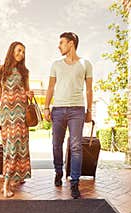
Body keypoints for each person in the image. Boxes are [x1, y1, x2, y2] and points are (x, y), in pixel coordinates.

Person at [44, 32, 93, 199]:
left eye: (62, 43)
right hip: (58, 110)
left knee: (76, 146)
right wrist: (46, 107)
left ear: (71, 43)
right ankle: (58, 171)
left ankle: (74, 182)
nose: (59, 46)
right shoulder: (56, 64)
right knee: (56, 145)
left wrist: (89, 111)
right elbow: (50, 88)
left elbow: (89, 90)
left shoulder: (85, 64)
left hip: (77, 110)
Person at [0, 41, 34, 198]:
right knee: (10, 146)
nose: (21, 54)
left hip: (21, 113)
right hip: (7, 114)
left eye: (23, 52)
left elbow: (27, 92)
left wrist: (29, 94)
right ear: (12, 51)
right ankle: (6, 183)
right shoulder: (1, 69)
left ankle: (17, 176)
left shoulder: (25, 72)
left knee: (20, 144)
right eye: (19, 50)